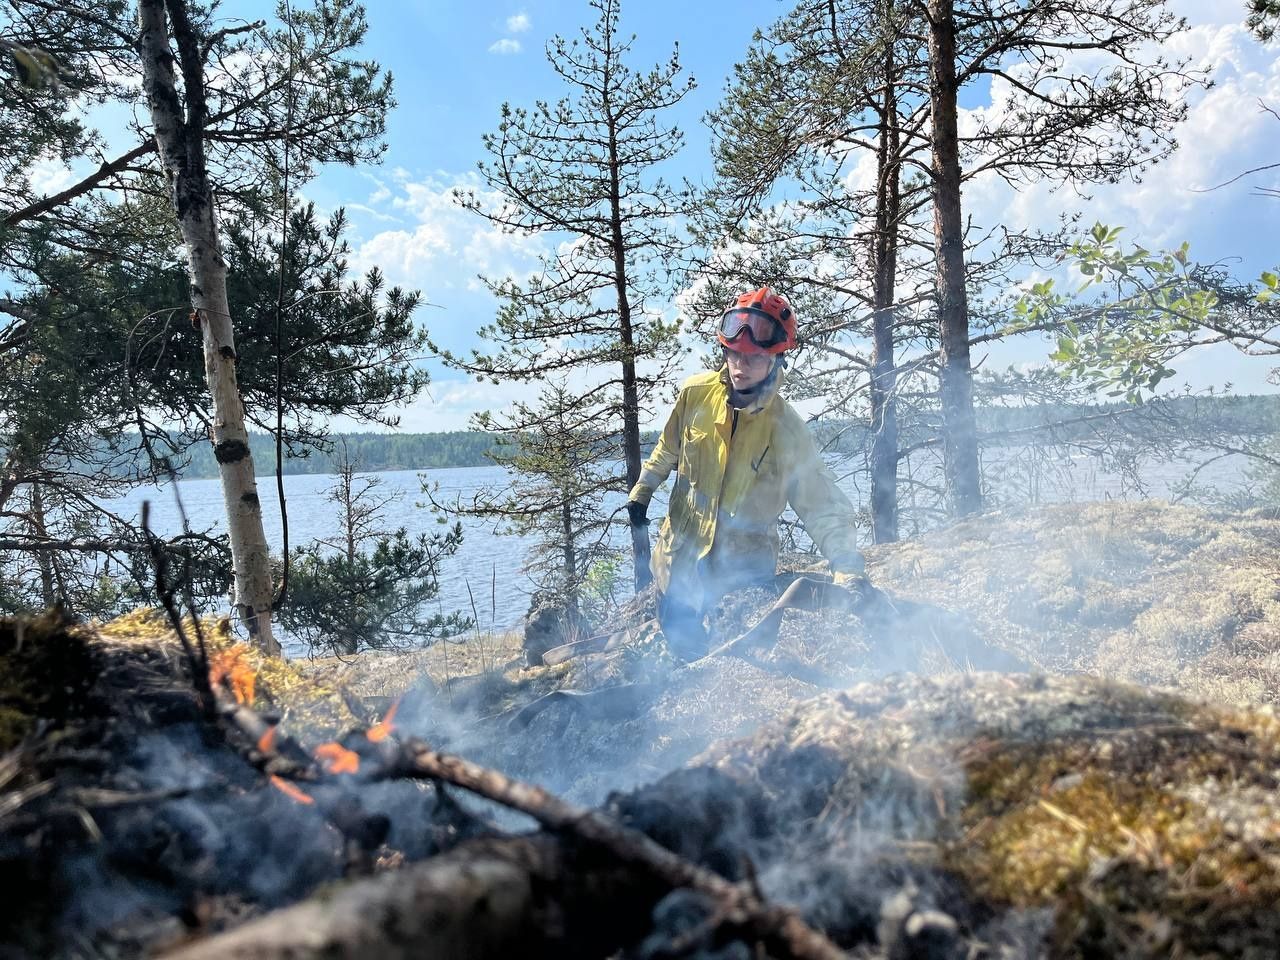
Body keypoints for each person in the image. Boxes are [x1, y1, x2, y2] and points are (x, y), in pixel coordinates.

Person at [626, 287, 866, 660]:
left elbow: (822, 505)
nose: (740, 366)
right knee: (682, 654)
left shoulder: (786, 429)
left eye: (753, 358)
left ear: (776, 359)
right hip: (680, 562)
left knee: (733, 664)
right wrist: (644, 490)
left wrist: (847, 568)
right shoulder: (694, 394)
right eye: (734, 354)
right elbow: (668, 447)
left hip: (743, 576)